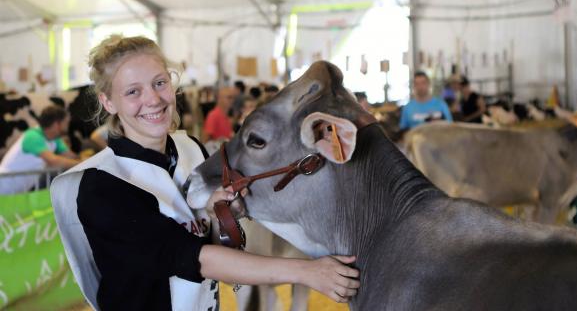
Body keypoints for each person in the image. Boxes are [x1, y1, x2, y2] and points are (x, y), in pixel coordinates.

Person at [49, 35, 359, 311]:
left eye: (160, 82)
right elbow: (192, 257)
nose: (153, 100)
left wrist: (218, 215)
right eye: (133, 91)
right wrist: (306, 271)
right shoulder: (102, 184)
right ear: (108, 101)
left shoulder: (189, 149)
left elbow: (209, 239)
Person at [0, 105, 79, 195]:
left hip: (19, 189)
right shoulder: (33, 136)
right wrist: (82, 164)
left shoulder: (55, 139)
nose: (68, 125)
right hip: (4, 186)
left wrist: (85, 160)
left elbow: (71, 156)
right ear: (57, 124)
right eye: (66, 122)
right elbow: (53, 161)